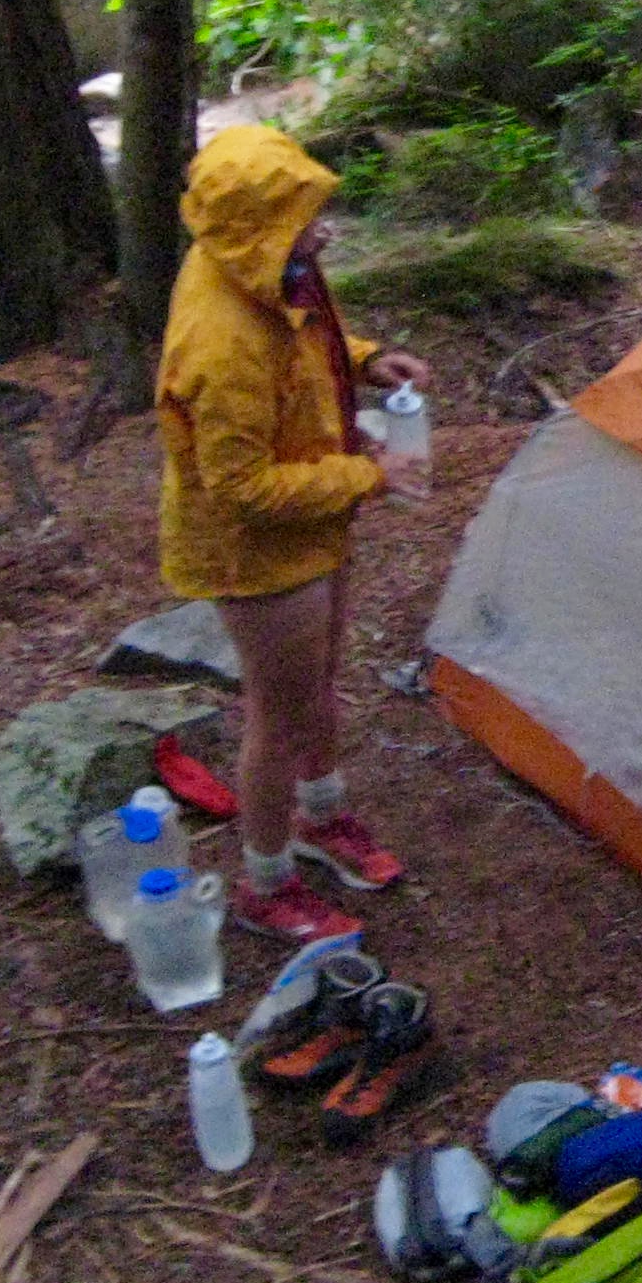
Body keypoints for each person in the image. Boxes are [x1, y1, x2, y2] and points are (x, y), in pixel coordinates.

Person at [156, 125, 432, 946]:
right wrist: (369, 476)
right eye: (304, 218)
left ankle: (321, 817)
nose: (321, 232)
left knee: (316, 685)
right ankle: (265, 882)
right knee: (277, 716)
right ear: (260, 227)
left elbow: (301, 350)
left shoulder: (261, 267)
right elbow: (239, 490)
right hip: (258, 549)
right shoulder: (222, 339)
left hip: (312, 515)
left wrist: (364, 359)